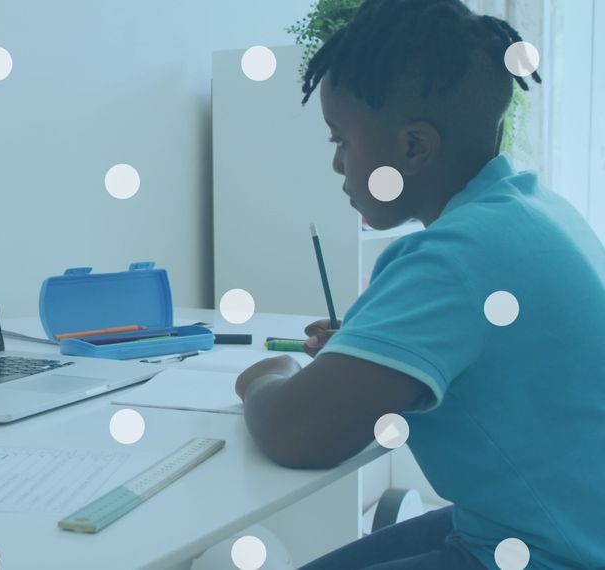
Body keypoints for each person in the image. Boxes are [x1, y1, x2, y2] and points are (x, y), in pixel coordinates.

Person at [230, 1, 605, 568]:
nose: (337, 165)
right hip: (557, 522)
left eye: (341, 141)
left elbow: (297, 433)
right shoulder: (532, 210)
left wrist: (267, 376)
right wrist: (365, 354)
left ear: (413, 148)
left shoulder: (455, 255)